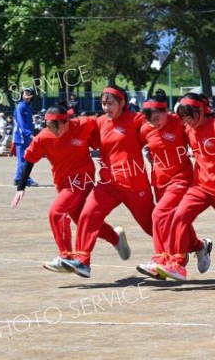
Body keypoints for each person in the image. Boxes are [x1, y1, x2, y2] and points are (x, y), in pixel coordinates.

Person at [11, 102, 129, 273]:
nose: (53, 131)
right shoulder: (44, 137)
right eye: (50, 127)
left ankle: (66, 256)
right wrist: (21, 187)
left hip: (83, 178)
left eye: (56, 127)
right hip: (63, 184)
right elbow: (29, 159)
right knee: (83, 221)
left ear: (67, 121)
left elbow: (106, 123)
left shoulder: (84, 124)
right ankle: (116, 238)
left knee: (56, 212)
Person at [62, 86, 155, 278]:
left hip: (134, 184)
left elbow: (159, 124)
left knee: (151, 226)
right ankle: (82, 261)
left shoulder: (135, 119)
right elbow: (79, 128)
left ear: (122, 103)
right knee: (87, 215)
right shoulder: (100, 122)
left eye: (111, 103)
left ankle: (194, 245)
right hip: (107, 183)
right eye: (104, 103)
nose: (106, 107)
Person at [155, 93, 215, 281]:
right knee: (179, 216)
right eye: (183, 116)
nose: (187, 120)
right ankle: (177, 264)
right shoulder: (188, 130)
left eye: (190, 115)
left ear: (202, 111)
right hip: (200, 186)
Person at [135, 92, 194, 280]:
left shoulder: (180, 122)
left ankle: (162, 260)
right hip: (159, 181)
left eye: (157, 118)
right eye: (150, 120)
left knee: (159, 214)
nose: (154, 122)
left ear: (166, 111)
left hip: (181, 178)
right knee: (172, 219)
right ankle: (199, 247)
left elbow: (198, 137)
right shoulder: (145, 129)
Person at [13, 88, 38, 187]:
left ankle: (18, 178)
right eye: (25, 94)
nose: (26, 96)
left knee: (24, 158)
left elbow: (29, 123)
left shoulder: (29, 106)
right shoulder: (20, 106)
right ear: (22, 95)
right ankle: (26, 179)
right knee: (24, 158)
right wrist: (29, 134)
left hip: (27, 136)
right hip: (21, 137)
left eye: (29, 94)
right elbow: (21, 123)